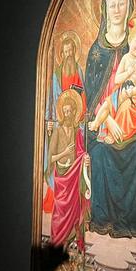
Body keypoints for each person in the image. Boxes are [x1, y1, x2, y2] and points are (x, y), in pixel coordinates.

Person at [83, 0, 136, 238]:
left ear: (129, 7)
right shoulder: (96, 51)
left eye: (121, 4)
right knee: (100, 152)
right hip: (105, 123)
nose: (116, 9)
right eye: (111, 4)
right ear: (104, 8)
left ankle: (131, 224)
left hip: (134, 124)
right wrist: (106, 121)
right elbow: (91, 98)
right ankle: (102, 220)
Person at [87, 19, 136, 144]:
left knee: (125, 108)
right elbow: (117, 79)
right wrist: (127, 73)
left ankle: (115, 135)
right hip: (121, 91)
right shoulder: (125, 58)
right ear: (130, 39)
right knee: (107, 104)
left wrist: (131, 92)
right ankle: (96, 123)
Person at [46, 91, 89, 251]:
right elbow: (50, 159)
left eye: (70, 111)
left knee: (75, 208)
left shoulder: (77, 131)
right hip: (62, 177)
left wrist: (85, 158)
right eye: (65, 111)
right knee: (60, 208)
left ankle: (73, 238)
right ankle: (58, 239)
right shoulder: (57, 131)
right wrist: (64, 153)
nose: (68, 114)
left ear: (74, 112)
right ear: (62, 113)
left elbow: (80, 151)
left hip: (74, 176)